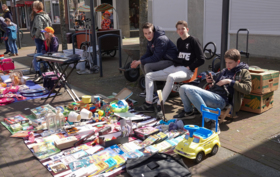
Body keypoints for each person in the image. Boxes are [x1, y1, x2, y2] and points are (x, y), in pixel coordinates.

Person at [135, 20, 205, 114]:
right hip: (176, 67)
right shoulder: (179, 41)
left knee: (171, 77)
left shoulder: (193, 40)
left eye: (183, 29)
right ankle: (149, 104)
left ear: (187, 29)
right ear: (176, 31)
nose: (181, 31)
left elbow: (201, 59)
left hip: (187, 71)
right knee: (148, 76)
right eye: (178, 29)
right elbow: (179, 56)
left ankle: (160, 104)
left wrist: (190, 67)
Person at [176, 49, 252, 133]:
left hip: (223, 100)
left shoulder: (243, 72)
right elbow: (216, 86)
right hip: (214, 96)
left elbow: (247, 89)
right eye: (226, 62)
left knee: (189, 89)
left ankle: (211, 120)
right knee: (183, 88)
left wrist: (229, 81)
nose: (227, 65)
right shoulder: (224, 71)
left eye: (230, 63)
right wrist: (211, 83)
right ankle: (189, 112)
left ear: (238, 62)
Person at [131, 22, 178, 99]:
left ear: (153, 31)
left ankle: (153, 92)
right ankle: (149, 90)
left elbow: (156, 58)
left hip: (171, 60)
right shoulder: (150, 39)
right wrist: (138, 61)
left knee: (147, 65)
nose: (148, 35)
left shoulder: (160, 39)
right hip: (162, 59)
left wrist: (139, 62)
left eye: (149, 33)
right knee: (143, 63)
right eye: (145, 33)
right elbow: (148, 53)